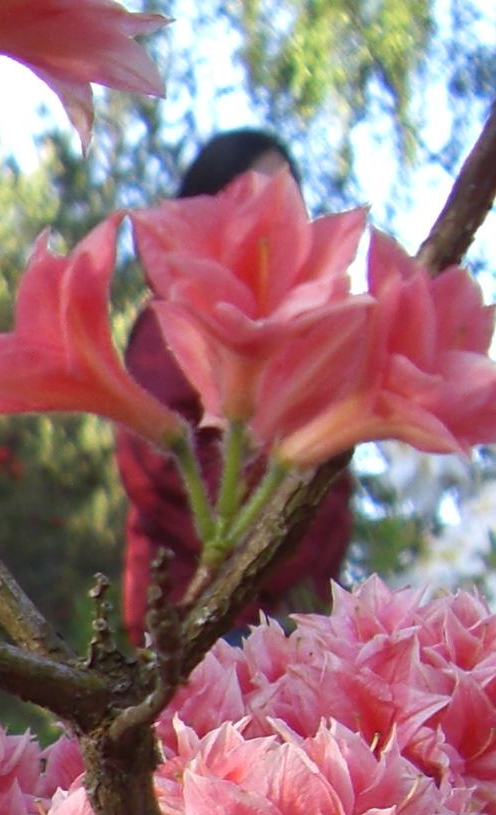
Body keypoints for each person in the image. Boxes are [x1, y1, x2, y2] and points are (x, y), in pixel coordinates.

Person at [117, 128, 352, 640]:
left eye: (288, 195)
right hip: (199, 612)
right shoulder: (167, 323)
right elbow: (157, 465)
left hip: (291, 618)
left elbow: (333, 476)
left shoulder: (313, 333)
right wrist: (274, 553)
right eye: (251, 191)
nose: (271, 211)